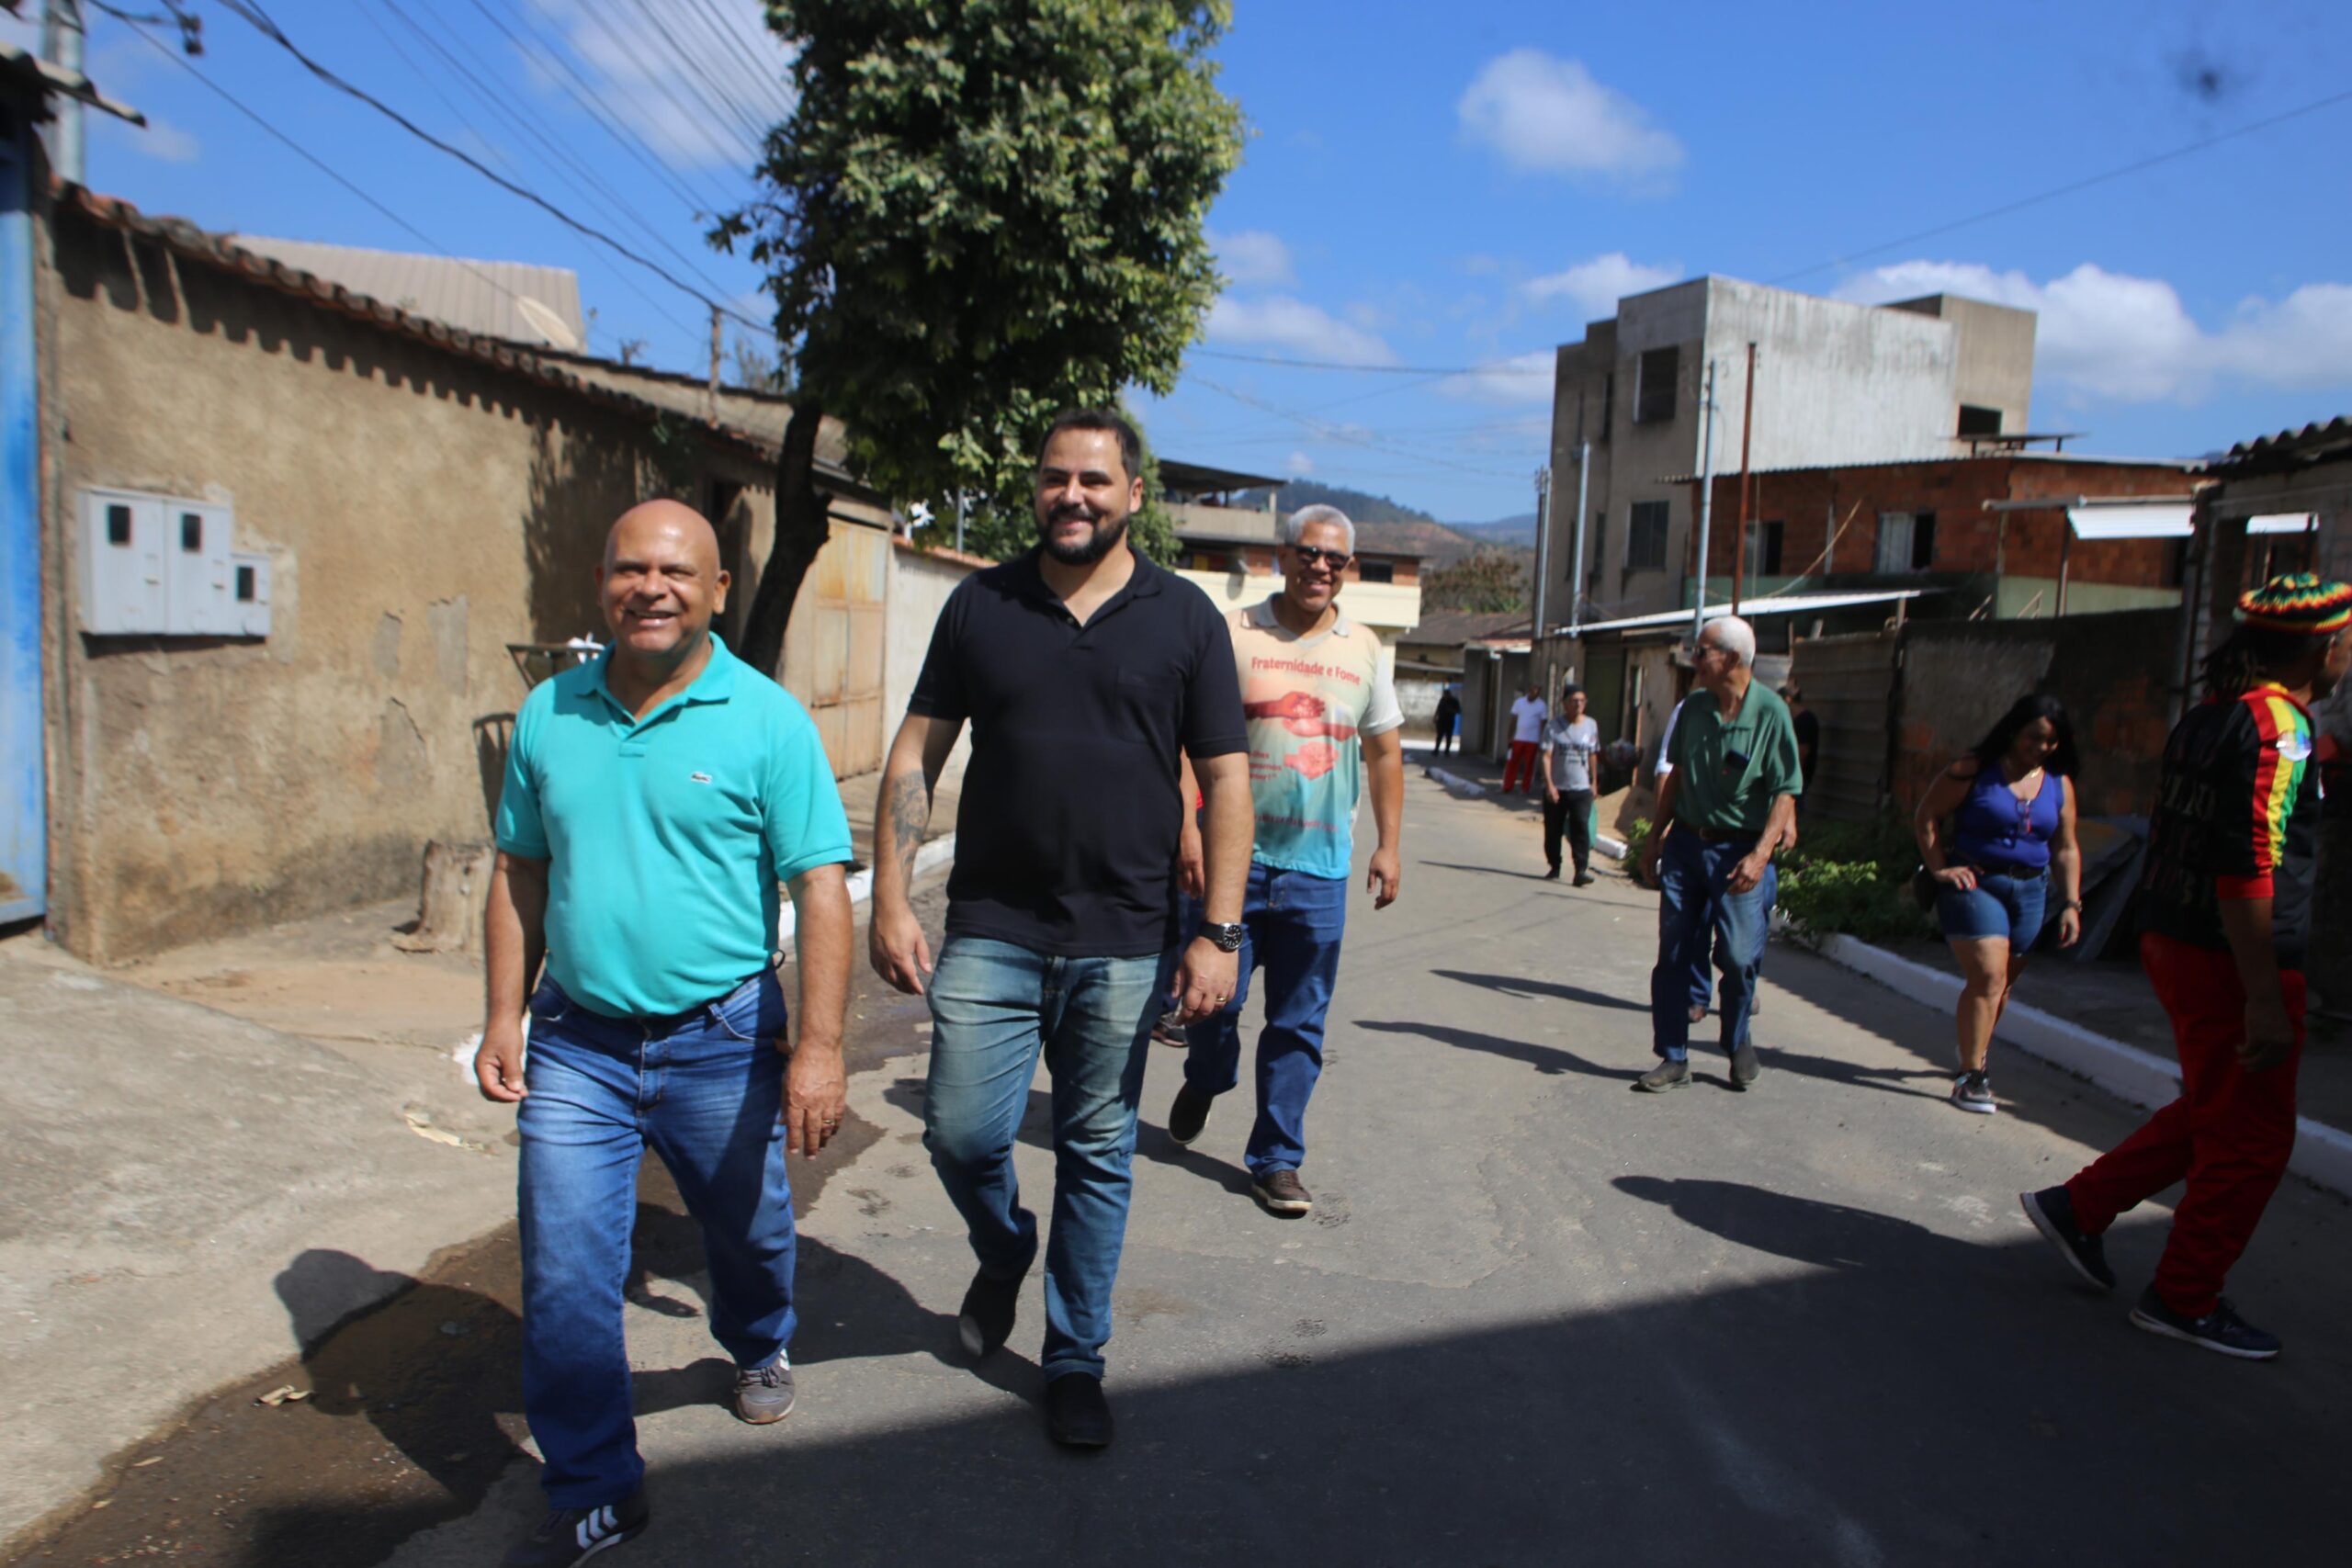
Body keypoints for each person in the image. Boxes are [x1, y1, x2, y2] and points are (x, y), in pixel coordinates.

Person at [474, 501, 854, 1567]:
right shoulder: (551, 712)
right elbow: (520, 869)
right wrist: (504, 1013)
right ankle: (594, 1476)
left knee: (747, 1230)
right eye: (630, 568)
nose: (653, 587)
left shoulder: (767, 718)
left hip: (723, 1038)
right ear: (600, 584)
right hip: (577, 1045)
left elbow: (819, 886)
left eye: (677, 572)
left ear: (718, 591)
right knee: (563, 1266)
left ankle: (757, 1338)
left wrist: (818, 1049)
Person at [867, 409, 1251, 1447]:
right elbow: (915, 755)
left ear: (1134, 494)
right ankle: (1002, 1249)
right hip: (993, 922)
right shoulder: (979, 606)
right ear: (1032, 489)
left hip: (1125, 935)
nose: (1070, 496)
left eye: (1093, 479)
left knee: (1096, 1151)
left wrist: (1217, 931)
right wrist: (891, 895)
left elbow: (1223, 776)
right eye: (1052, 478)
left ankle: (1075, 1356)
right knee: (960, 1132)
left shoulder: (1185, 621)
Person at [2022, 574, 2350, 1361]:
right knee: (2255, 1139)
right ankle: (2184, 1295)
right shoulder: (2277, 728)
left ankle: (2079, 1206)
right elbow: (2251, 864)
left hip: (2174, 939)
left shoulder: (2214, 718)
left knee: (2216, 1107)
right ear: (2322, 645)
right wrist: (2266, 997)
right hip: (2236, 957)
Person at [1165, 505, 1406, 1217]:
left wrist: (1389, 844)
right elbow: (1185, 742)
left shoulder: (1364, 647)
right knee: (1213, 1003)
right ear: (1283, 555)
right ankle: (1207, 1077)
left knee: (1299, 1021)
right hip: (1229, 866)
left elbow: (1385, 750)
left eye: (1336, 558)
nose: (1321, 567)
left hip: (1319, 871)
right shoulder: (1233, 631)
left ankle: (1276, 1159)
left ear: (1348, 569)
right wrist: (1187, 830)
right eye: (1309, 553)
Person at [1635, 616, 1802, 1092]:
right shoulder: (1693, 709)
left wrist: (1761, 855)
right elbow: (1678, 776)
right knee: (1674, 951)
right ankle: (1673, 1055)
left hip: (1739, 851)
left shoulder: (1770, 713)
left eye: (1701, 650)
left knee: (1738, 953)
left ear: (1730, 659)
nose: (1693, 658)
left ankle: (1737, 1037)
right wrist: (1655, 838)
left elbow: (1785, 791)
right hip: (1688, 845)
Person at [1914, 694, 2084, 1113]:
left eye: (2050, 741)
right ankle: (1971, 1077)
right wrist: (1939, 869)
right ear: (2013, 731)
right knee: (1988, 975)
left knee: (2003, 983)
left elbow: (2066, 847)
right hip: (1977, 883)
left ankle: (1975, 1046)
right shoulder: (1972, 770)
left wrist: (2072, 903)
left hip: (2031, 890)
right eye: (2033, 738)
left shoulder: (2059, 784)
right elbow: (1927, 816)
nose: (2040, 747)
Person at [1541, 681, 1600, 885]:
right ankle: (1554, 865)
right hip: (1558, 787)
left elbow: (1592, 754)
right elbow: (1547, 756)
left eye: (1582, 701)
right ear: (1564, 703)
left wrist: (1594, 781)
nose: (1578, 705)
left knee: (1580, 827)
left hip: (1581, 788)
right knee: (1553, 830)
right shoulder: (1554, 727)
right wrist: (1549, 785)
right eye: (1574, 701)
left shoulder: (1591, 725)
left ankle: (1580, 870)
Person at [1502, 684, 1547, 795]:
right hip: (1518, 738)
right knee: (1512, 763)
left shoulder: (1541, 705)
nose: (1534, 692)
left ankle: (1525, 788)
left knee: (1529, 765)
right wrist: (1510, 736)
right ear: (1529, 690)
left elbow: (1543, 724)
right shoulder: (1519, 702)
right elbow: (1513, 719)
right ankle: (1507, 786)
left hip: (1533, 740)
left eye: (1537, 691)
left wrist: (1542, 740)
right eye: (1532, 690)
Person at [1785, 684, 1820, 813]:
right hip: (1796, 776)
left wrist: (1794, 777)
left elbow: (1802, 751)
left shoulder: (1804, 721)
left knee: (1794, 809)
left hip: (1799, 776)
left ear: (1788, 700)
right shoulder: (1796, 720)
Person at [1432, 682, 1462, 755]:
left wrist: (1451, 710)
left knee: (1449, 736)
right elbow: (1438, 709)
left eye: (1446, 695)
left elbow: (1459, 711)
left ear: (1449, 694)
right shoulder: (1442, 700)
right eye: (1444, 695)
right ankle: (1436, 750)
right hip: (1441, 721)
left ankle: (1447, 751)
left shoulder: (1454, 701)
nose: (1445, 696)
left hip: (1450, 721)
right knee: (1439, 735)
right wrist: (1435, 717)